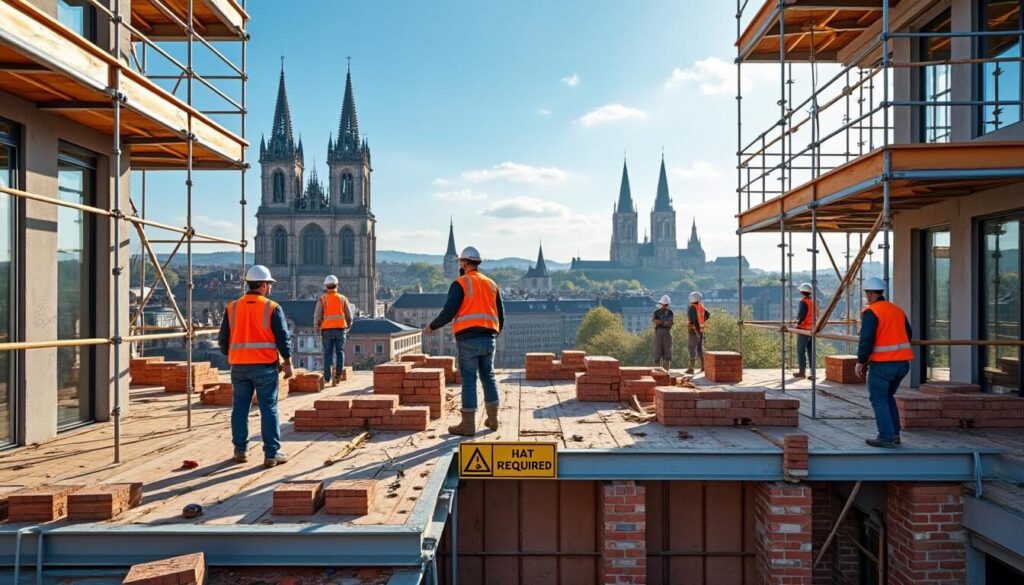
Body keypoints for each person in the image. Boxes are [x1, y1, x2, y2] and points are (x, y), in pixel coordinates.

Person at [423, 246, 505, 437]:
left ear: (464, 263)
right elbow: (501, 315)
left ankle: (468, 425)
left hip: (468, 339)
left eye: (461, 262)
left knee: (469, 379)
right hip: (489, 338)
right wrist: (494, 333)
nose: (460, 265)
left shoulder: (460, 283)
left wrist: (432, 327)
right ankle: (493, 420)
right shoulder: (492, 284)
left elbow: (449, 311)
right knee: (488, 377)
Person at [218, 265, 293, 468]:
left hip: (239, 367)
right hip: (264, 367)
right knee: (269, 408)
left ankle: (240, 450)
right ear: (261, 285)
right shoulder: (271, 307)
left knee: (240, 407)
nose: (269, 288)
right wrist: (288, 361)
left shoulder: (232, 307)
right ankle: (271, 453)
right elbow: (283, 338)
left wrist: (234, 354)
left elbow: (223, 340)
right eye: (268, 284)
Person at [855, 276, 913, 448]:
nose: (866, 297)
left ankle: (886, 437)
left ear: (871, 294)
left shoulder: (872, 312)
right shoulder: (897, 310)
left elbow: (866, 339)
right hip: (903, 364)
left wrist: (861, 361)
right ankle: (895, 434)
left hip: (883, 364)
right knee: (888, 396)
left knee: (878, 398)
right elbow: (908, 334)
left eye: (867, 293)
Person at [314, 275, 353, 386]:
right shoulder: (342, 298)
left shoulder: (322, 299)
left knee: (328, 354)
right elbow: (349, 316)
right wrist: (348, 325)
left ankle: (327, 378)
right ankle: (338, 376)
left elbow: (317, 315)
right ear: (337, 285)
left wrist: (317, 327)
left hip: (326, 330)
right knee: (340, 352)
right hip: (340, 329)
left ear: (326, 286)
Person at [793, 283, 817, 379]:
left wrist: (797, 324)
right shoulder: (812, 302)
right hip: (812, 329)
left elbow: (801, 315)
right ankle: (812, 373)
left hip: (803, 329)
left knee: (801, 350)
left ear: (801, 291)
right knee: (811, 351)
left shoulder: (803, 302)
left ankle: (802, 372)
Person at [686, 291, 711, 374]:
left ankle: (691, 368)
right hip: (701, 331)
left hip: (694, 332)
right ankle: (704, 366)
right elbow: (707, 315)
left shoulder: (691, 308)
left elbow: (692, 323)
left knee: (691, 348)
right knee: (700, 349)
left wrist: (696, 332)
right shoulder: (701, 307)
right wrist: (701, 323)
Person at [652, 295, 674, 371]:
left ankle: (665, 371)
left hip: (666, 333)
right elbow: (655, 321)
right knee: (657, 352)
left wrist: (660, 322)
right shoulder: (657, 312)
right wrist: (664, 323)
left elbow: (669, 323)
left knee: (667, 352)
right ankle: (657, 371)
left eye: (666, 304)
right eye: (664, 304)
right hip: (660, 333)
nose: (665, 306)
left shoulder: (670, 313)